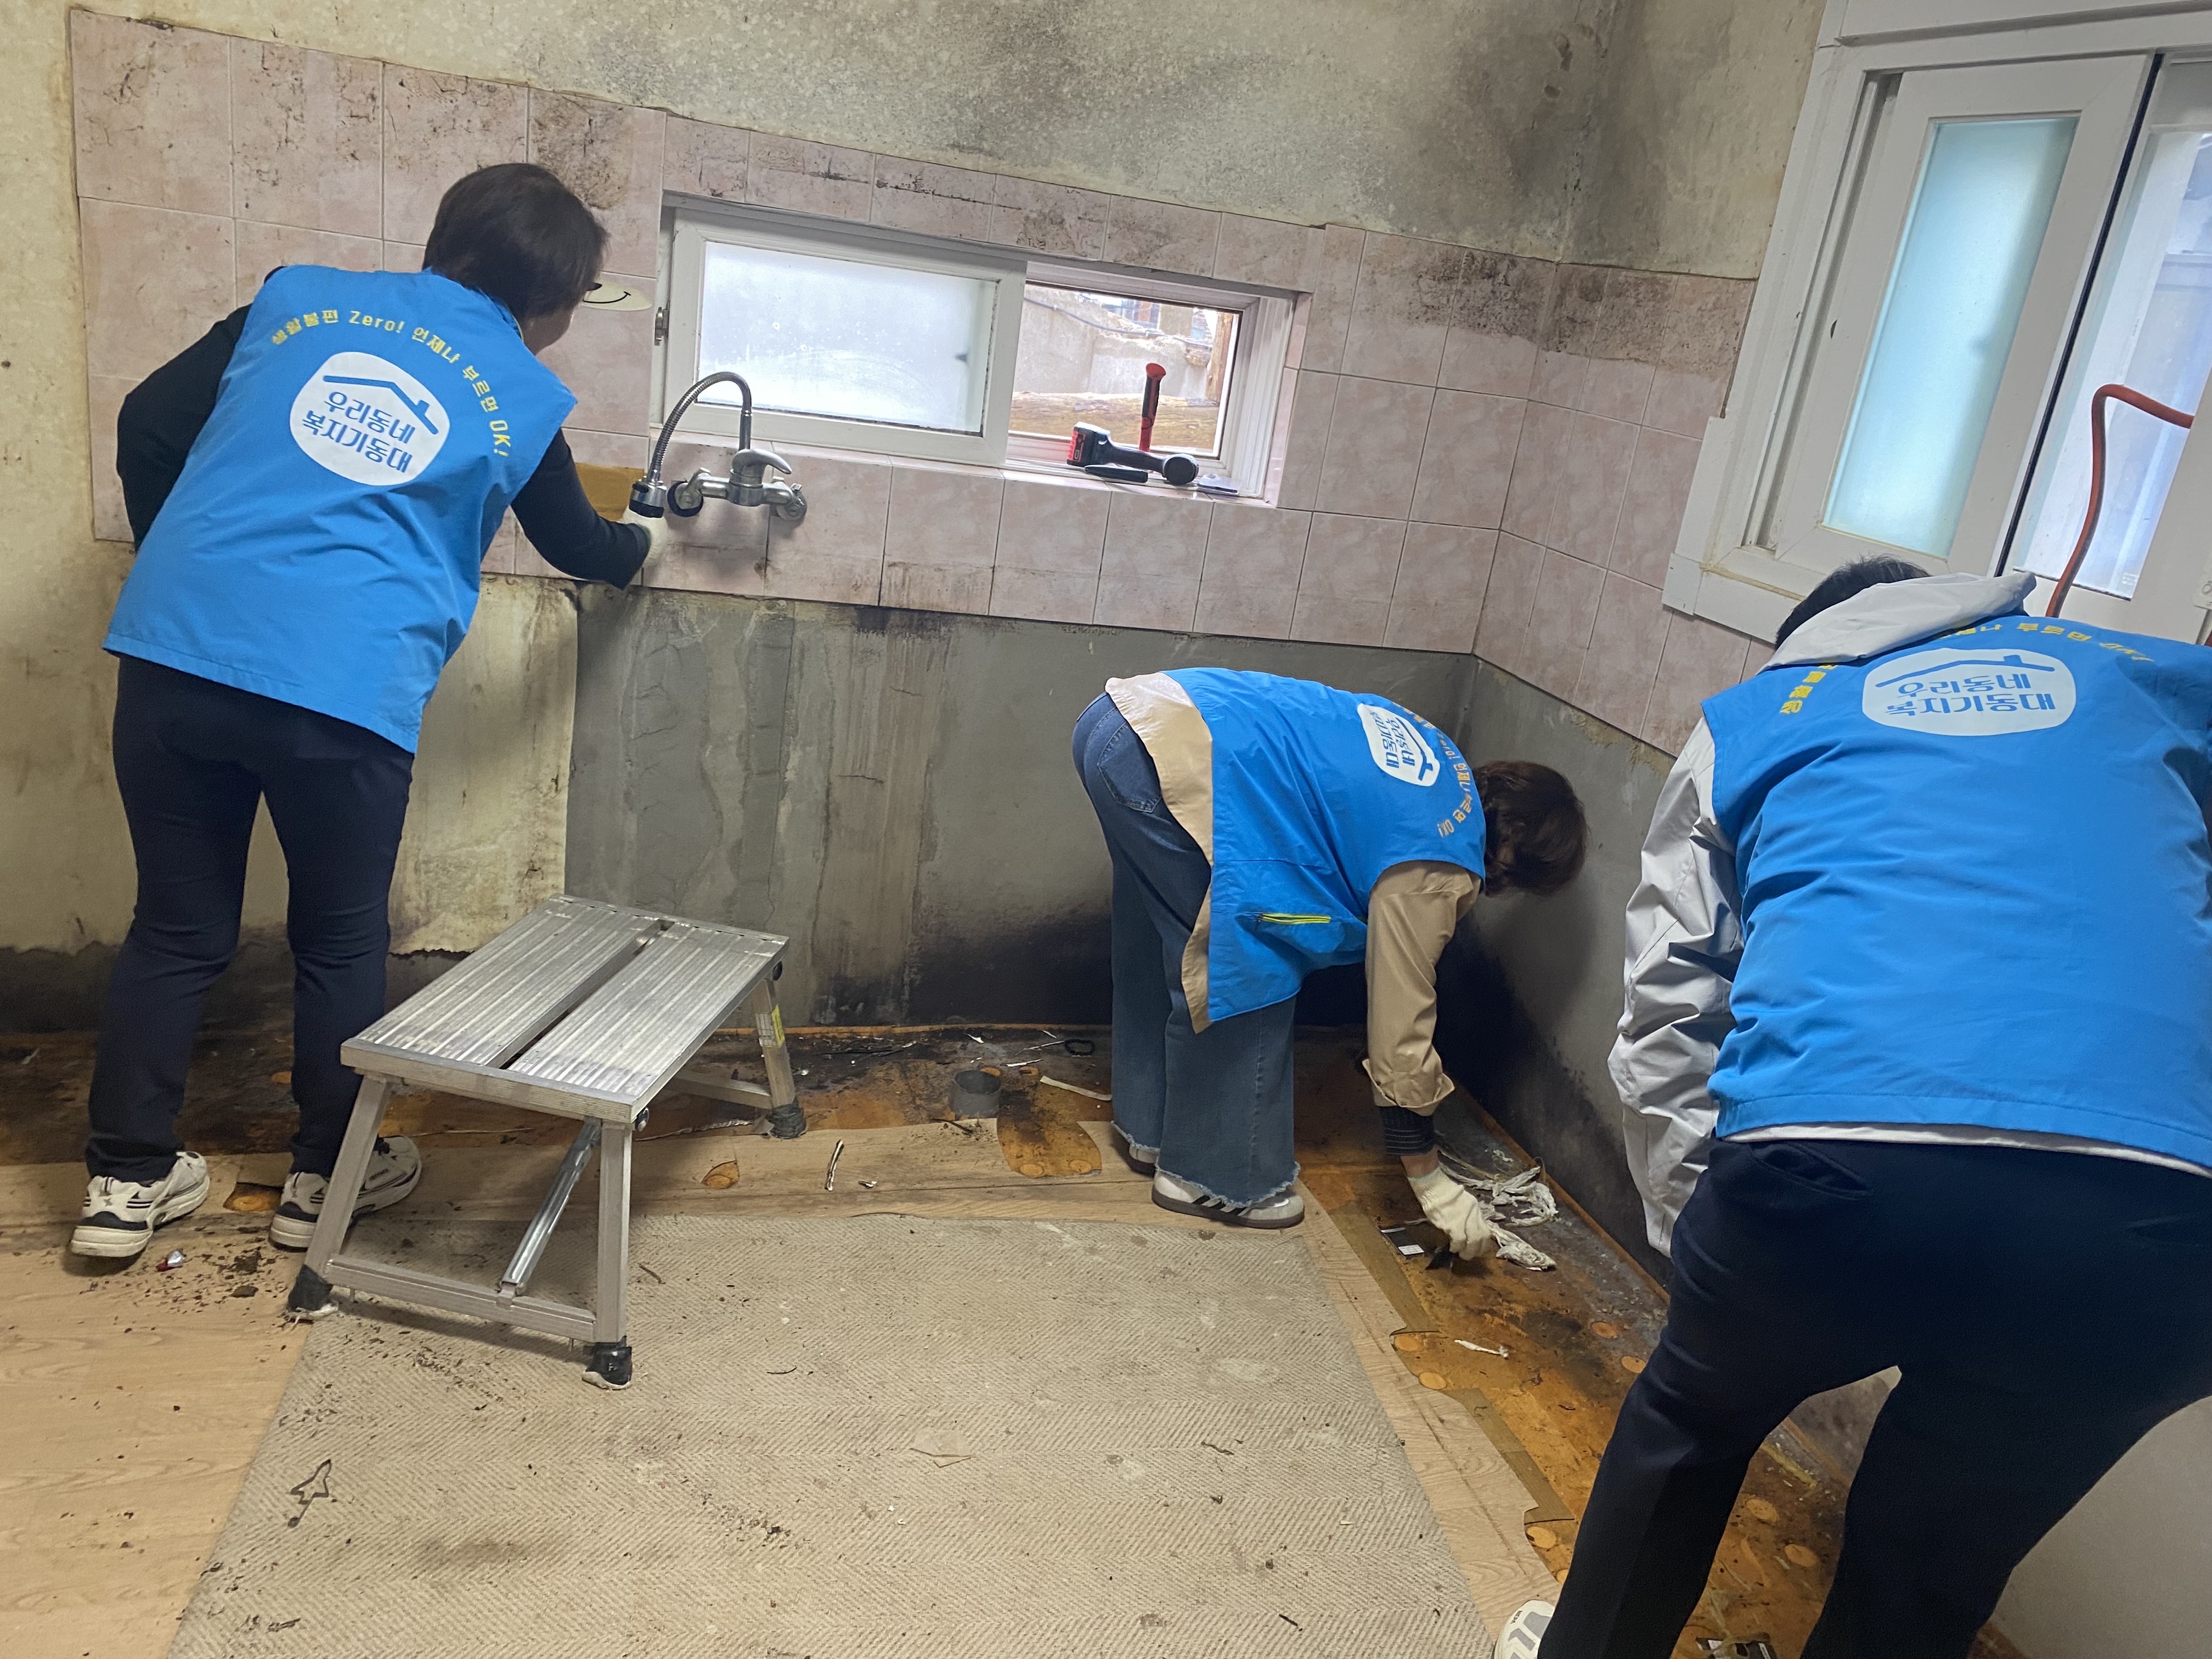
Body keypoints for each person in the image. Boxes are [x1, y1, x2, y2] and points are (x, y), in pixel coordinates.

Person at [1498, 560, 2212, 1659]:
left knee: (1685, 1430)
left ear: (1811, 640)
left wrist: (1705, 1251)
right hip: (2161, 1218)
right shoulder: (2152, 678)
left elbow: (1669, 1009)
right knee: (1929, 1562)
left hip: (1835, 1164)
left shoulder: (1764, 714)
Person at [72, 163, 673, 1261]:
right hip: (342, 686)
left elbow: (149, 420)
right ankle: (326, 1180)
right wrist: (646, 546)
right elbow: (577, 544)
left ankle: (125, 1181)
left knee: (176, 928)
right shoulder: (520, 389)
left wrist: (188, 560)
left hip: (177, 652)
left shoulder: (296, 299)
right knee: (340, 937)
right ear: (552, 302)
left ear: (445, 241)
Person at [1072, 668, 1585, 1243]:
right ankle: (1213, 1178)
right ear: (1516, 848)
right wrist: (1427, 1175)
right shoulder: (1438, 860)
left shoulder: (1442, 764)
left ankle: (1150, 1131)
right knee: (1249, 968)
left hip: (1120, 721)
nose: (1498, 892)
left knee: (1167, 951)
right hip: (1165, 761)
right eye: (1517, 879)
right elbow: (1401, 1018)